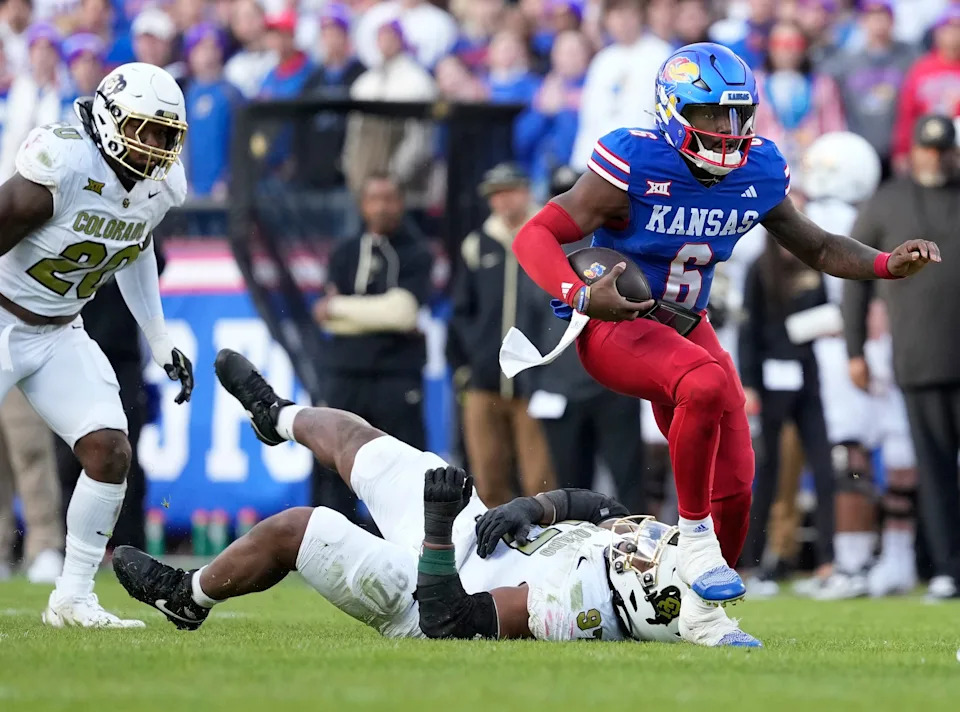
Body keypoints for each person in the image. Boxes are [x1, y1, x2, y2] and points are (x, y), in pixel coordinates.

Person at [507, 41, 939, 644]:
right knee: (706, 385)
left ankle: (702, 614)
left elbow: (816, 246)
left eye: (736, 114)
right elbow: (535, 234)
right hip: (619, 324)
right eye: (711, 114)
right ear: (674, 109)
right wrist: (577, 294)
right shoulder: (634, 161)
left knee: (737, 484)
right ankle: (693, 536)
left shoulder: (758, 169)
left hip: (687, 325)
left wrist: (888, 264)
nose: (727, 129)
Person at [111, 348, 760, 648]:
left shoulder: (581, 605)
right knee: (372, 447)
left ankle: (187, 597)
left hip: (431, 588)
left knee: (303, 527)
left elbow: (449, 622)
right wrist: (532, 509)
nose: (651, 548)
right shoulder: (650, 556)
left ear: (641, 600)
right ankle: (277, 415)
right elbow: (601, 508)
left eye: (653, 564)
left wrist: (436, 527)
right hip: (479, 533)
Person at [0, 62, 194, 626]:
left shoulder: (158, 185)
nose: (156, 146)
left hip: (58, 327)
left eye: (166, 134)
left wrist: (159, 340)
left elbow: (136, 246)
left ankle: (74, 596)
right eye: (145, 129)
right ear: (110, 120)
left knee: (109, 450)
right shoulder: (64, 160)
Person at [843, 114, 959, 601]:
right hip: (918, 357)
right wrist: (855, 350)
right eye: (926, 150)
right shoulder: (886, 202)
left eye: (942, 149)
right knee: (932, 471)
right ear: (912, 151)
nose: (934, 158)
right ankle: (947, 568)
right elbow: (854, 278)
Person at [311, 171, 432, 520]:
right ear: (362, 205)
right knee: (331, 463)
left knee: (402, 467)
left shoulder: (417, 252)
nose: (382, 207)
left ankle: (403, 551)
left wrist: (338, 307)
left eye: (389, 198)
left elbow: (403, 314)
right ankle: (329, 543)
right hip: (344, 374)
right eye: (374, 199)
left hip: (396, 376)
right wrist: (377, 311)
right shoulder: (344, 252)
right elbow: (328, 317)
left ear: (401, 203)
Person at [448, 163, 556, 507]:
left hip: (533, 379)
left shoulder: (548, 238)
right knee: (487, 477)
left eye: (508, 191)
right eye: (495, 195)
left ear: (526, 191)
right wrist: (467, 366)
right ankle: (495, 553)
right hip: (484, 379)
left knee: (540, 482)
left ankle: (546, 554)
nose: (502, 201)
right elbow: (462, 311)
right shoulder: (477, 244)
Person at [738, 235, 835, 584]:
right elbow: (747, 328)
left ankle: (829, 562)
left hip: (805, 378)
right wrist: (748, 383)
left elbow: (823, 312)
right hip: (769, 381)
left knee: (824, 468)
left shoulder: (813, 268)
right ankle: (750, 561)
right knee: (766, 471)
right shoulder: (758, 270)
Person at [569, 0, 672, 172]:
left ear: (641, 16)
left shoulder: (661, 54)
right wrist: (581, 162)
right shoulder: (602, 60)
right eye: (616, 15)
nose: (623, 22)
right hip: (600, 162)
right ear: (607, 20)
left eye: (628, 14)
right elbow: (590, 117)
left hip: (644, 161)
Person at [823, 0, 917, 175]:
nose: (878, 23)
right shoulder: (846, 62)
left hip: (896, 151)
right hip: (859, 149)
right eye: (872, 17)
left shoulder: (909, 57)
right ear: (862, 21)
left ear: (892, 20)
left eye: (883, 16)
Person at [891, 5, 960, 172]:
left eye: (958, 28)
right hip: (926, 147)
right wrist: (902, 151)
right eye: (948, 28)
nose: (954, 34)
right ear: (937, 33)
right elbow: (907, 113)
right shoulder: (921, 68)